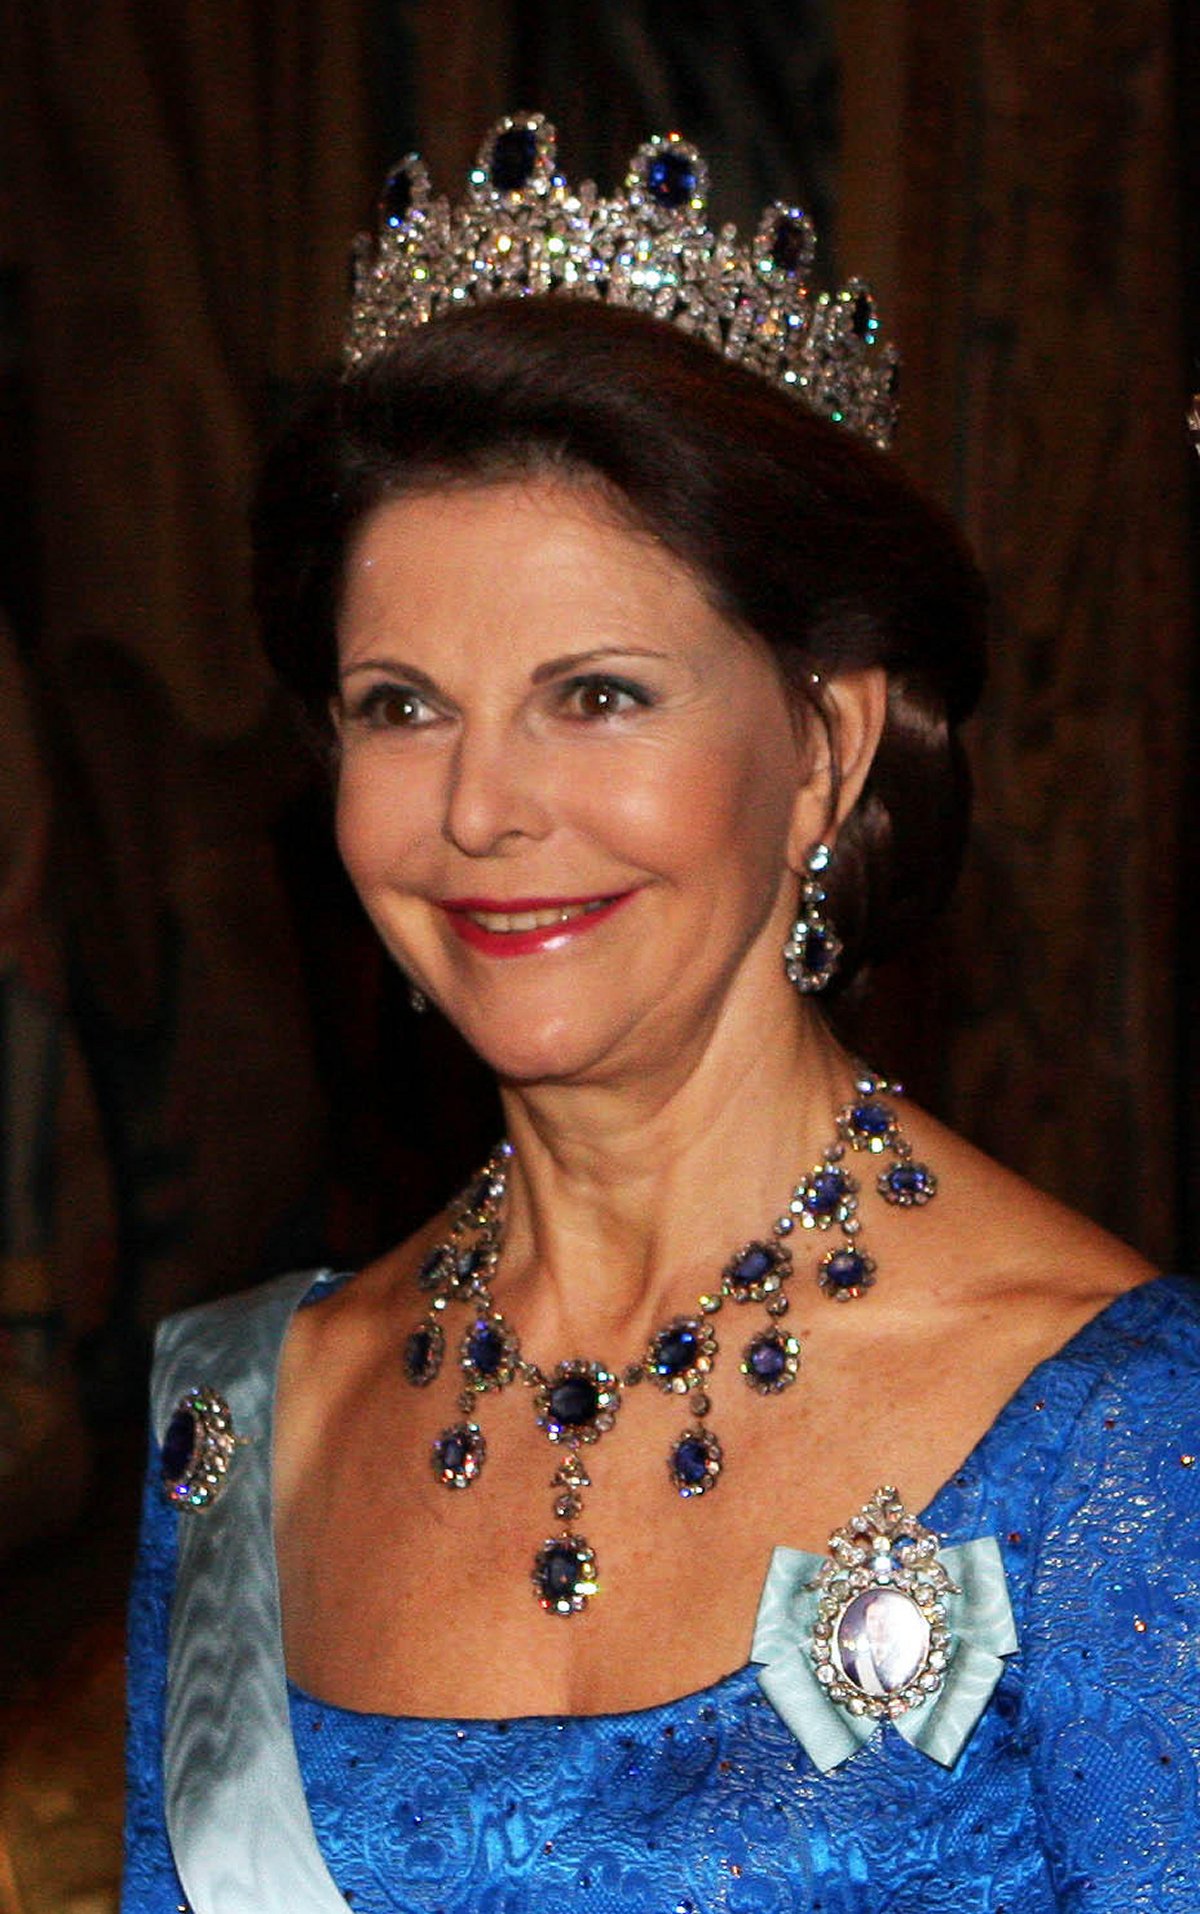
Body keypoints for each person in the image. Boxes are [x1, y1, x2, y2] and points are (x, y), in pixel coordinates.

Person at [122, 116, 1200, 1913]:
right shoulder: (244, 1420)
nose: (478, 809)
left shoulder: (1121, 1435)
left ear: (825, 750)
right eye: (400, 707)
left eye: (597, 693)